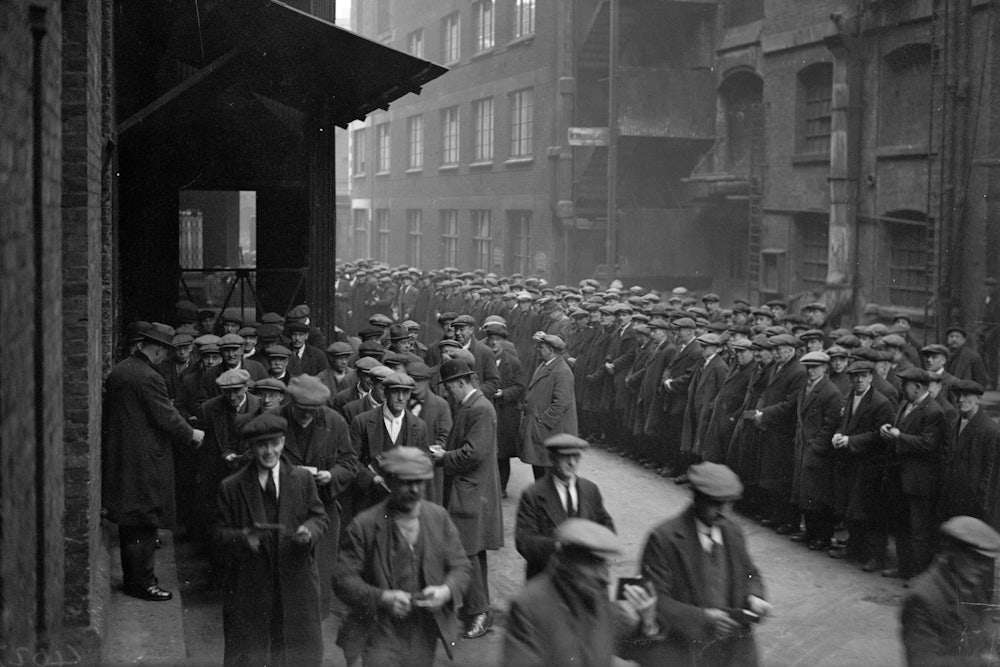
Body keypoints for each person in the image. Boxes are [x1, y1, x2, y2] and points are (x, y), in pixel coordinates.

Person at [334, 447, 472, 667]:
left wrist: (445, 591)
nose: (414, 489)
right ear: (390, 481)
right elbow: (343, 580)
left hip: (423, 632)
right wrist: (383, 598)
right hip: (378, 631)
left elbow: (461, 567)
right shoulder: (365, 525)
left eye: (420, 481)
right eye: (406, 482)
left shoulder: (438, 517)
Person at [214, 413, 329, 666]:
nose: (269, 451)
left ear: (283, 442)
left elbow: (319, 517)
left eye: (274, 443)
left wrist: (308, 532)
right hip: (250, 588)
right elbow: (218, 535)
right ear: (251, 448)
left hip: (296, 585)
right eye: (261, 445)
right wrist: (244, 538)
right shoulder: (231, 487)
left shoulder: (301, 479)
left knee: (296, 654)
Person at [102, 322, 205, 601]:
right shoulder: (150, 377)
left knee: (130, 521)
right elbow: (166, 417)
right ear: (157, 348)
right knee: (144, 520)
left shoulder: (121, 370)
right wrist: (192, 434)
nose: (166, 358)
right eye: (165, 351)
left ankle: (135, 578)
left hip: (123, 456)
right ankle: (142, 583)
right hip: (144, 460)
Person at [635, 462, 773, 666]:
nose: (724, 512)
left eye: (729, 504)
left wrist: (755, 596)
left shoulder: (733, 532)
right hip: (688, 653)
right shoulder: (664, 539)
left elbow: (750, 573)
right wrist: (703, 619)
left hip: (735, 655)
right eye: (716, 504)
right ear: (697, 498)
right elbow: (655, 601)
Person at [504, 519, 660, 667]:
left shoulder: (600, 595)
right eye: (594, 564)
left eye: (605, 564)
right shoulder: (528, 605)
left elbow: (632, 650)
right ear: (567, 562)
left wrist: (647, 623)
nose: (605, 576)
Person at [430, 358, 503, 639]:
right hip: (470, 492)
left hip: (472, 493)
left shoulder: (480, 409)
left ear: (461, 383)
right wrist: (446, 451)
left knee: (467, 551)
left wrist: (443, 457)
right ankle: (476, 608)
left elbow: (474, 453)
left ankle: (481, 612)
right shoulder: (472, 406)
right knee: (472, 550)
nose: (448, 393)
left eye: (449, 388)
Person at [278, 374, 359, 617]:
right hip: (283, 507)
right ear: (291, 403)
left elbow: (350, 463)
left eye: (313, 411)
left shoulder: (335, 422)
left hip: (323, 506)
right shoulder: (274, 420)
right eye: (302, 410)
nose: (307, 416)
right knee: (286, 562)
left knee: (322, 567)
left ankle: (317, 616)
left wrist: (331, 475)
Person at [900, 516, 1000, 666]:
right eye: (975, 558)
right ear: (952, 552)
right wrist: (983, 663)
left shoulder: (969, 582)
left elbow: (981, 632)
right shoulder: (921, 598)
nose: (983, 567)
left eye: (985, 560)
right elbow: (924, 663)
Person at [514, 434, 615, 580]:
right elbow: (524, 542)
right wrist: (559, 546)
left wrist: (595, 544)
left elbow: (607, 526)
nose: (572, 462)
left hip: (586, 579)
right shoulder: (533, 495)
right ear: (552, 458)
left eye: (576, 456)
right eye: (565, 457)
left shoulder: (590, 489)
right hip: (548, 580)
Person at [880, 368, 947, 580]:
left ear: (918, 387)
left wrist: (899, 436)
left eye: (905, 384)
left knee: (919, 531)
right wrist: (888, 429)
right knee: (902, 526)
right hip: (900, 477)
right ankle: (904, 568)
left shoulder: (934, 411)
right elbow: (901, 429)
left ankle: (919, 576)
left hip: (919, 481)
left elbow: (928, 444)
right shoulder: (905, 404)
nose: (902, 387)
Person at [830, 361, 894, 569]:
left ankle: (874, 556)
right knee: (851, 508)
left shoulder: (880, 402)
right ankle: (854, 549)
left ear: (870, 377)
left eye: (863, 375)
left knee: (868, 512)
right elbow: (845, 421)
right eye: (855, 376)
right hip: (850, 461)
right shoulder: (850, 397)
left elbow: (879, 435)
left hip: (869, 464)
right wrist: (839, 434)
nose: (859, 380)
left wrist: (850, 441)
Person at [349, 372, 429, 511]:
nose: (400, 398)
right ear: (386, 393)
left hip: (404, 504)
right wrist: (371, 478)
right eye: (395, 392)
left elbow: (425, 463)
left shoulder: (419, 426)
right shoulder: (362, 421)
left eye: (405, 393)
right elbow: (350, 460)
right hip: (368, 501)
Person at [790, 351, 843, 551]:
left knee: (819, 497)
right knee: (805, 495)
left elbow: (830, 425)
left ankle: (823, 536)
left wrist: (816, 447)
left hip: (818, 452)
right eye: (808, 367)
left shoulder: (831, 392)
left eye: (816, 367)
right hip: (804, 447)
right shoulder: (806, 387)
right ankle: (810, 532)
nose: (811, 371)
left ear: (825, 368)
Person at [938, 380, 1000, 523]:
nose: (960, 400)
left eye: (966, 395)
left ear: (978, 399)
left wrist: (982, 507)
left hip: (974, 504)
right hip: (952, 498)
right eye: (958, 395)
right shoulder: (955, 424)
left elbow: (990, 474)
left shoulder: (990, 430)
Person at [520, 332, 578, 480]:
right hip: (542, 428)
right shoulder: (546, 365)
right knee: (539, 464)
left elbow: (562, 402)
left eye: (541, 347)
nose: (538, 350)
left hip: (550, 429)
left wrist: (544, 421)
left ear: (550, 350)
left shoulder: (562, 371)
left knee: (547, 466)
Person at [483, 321, 525, 497]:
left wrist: (504, 393)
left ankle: (501, 488)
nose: (493, 342)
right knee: (485, 450)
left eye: (497, 339)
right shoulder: (483, 359)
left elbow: (520, 386)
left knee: (502, 454)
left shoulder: (513, 362)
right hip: (486, 409)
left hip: (505, 413)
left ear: (503, 342)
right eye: (491, 339)